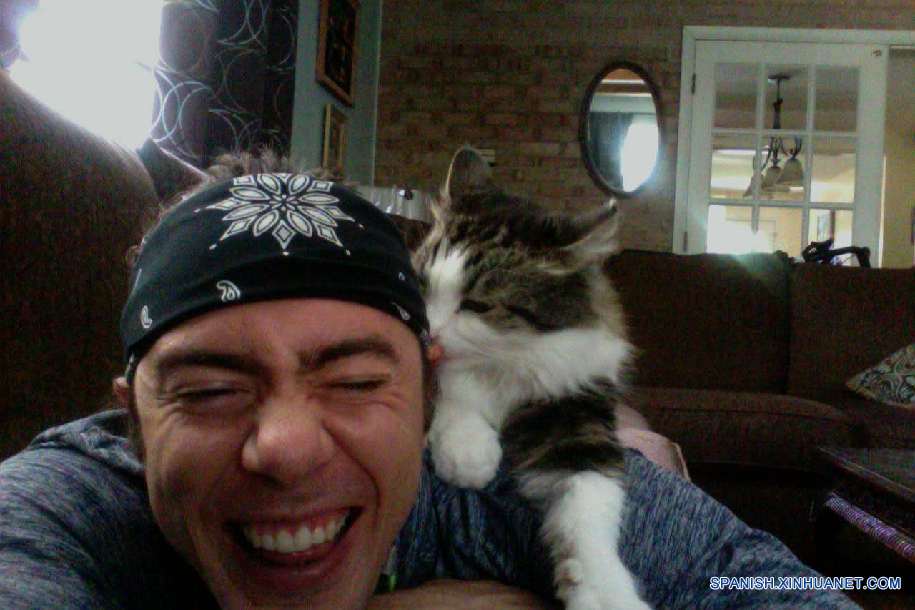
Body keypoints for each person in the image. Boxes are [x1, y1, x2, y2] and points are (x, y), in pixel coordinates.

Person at [0, 162, 861, 609]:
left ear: (423, 388)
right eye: (211, 390)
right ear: (131, 419)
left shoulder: (494, 483)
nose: (286, 450)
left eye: (353, 380)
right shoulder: (58, 513)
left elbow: (774, 587)